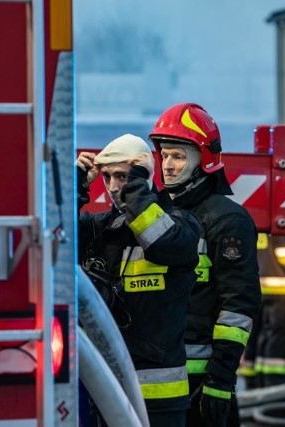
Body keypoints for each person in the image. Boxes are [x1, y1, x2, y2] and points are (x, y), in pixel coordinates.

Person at [76, 134, 202, 427]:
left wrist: (138, 185)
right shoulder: (100, 228)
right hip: (108, 390)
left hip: (160, 398)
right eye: (106, 177)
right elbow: (56, 239)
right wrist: (75, 189)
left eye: (122, 176)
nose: (113, 187)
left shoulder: (181, 223)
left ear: (144, 176)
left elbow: (159, 242)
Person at [148, 103, 262, 427]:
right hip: (155, 381)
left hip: (203, 385)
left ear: (204, 160)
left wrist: (221, 380)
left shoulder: (227, 221)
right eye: (164, 155)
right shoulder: (153, 215)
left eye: (179, 157)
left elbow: (239, 305)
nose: (167, 166)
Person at [240, 233, 285, 389]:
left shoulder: (256, 223)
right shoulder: (282, 224)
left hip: (256, 289)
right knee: (280, 335)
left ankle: (255, 380)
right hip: (281, 290)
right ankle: (276, 379)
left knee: (256, 334)